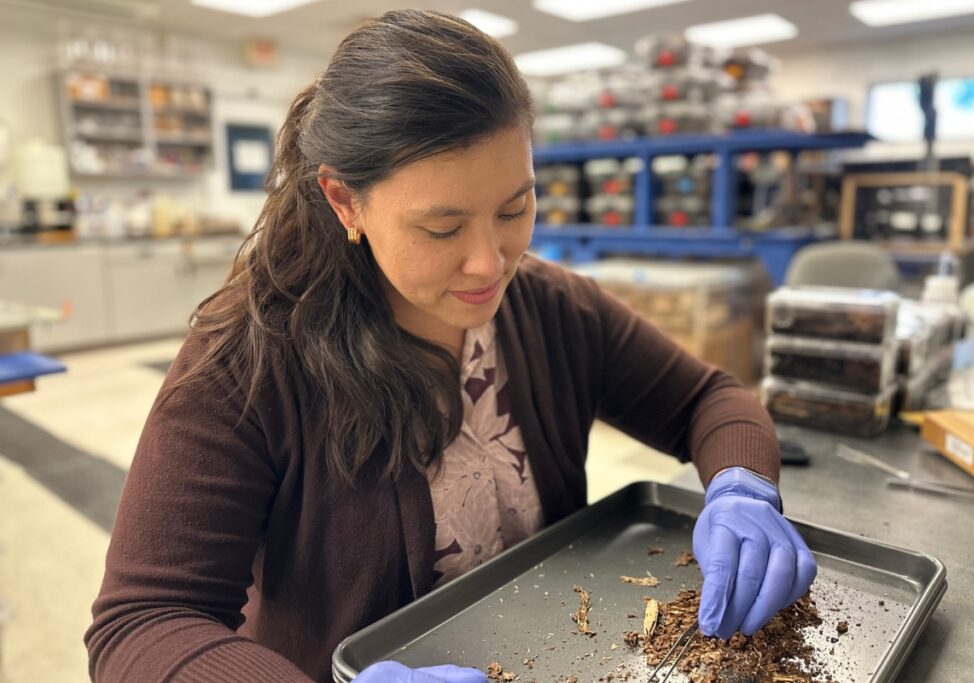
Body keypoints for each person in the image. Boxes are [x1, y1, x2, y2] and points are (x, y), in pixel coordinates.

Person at [85, 10, 815, 683]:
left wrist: (743, 487)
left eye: (515, 207)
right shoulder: (248, 358)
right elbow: (140, 623)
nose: (490, 262)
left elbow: (707, 399)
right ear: (345, 201)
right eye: (441, 228)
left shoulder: (551, 306)